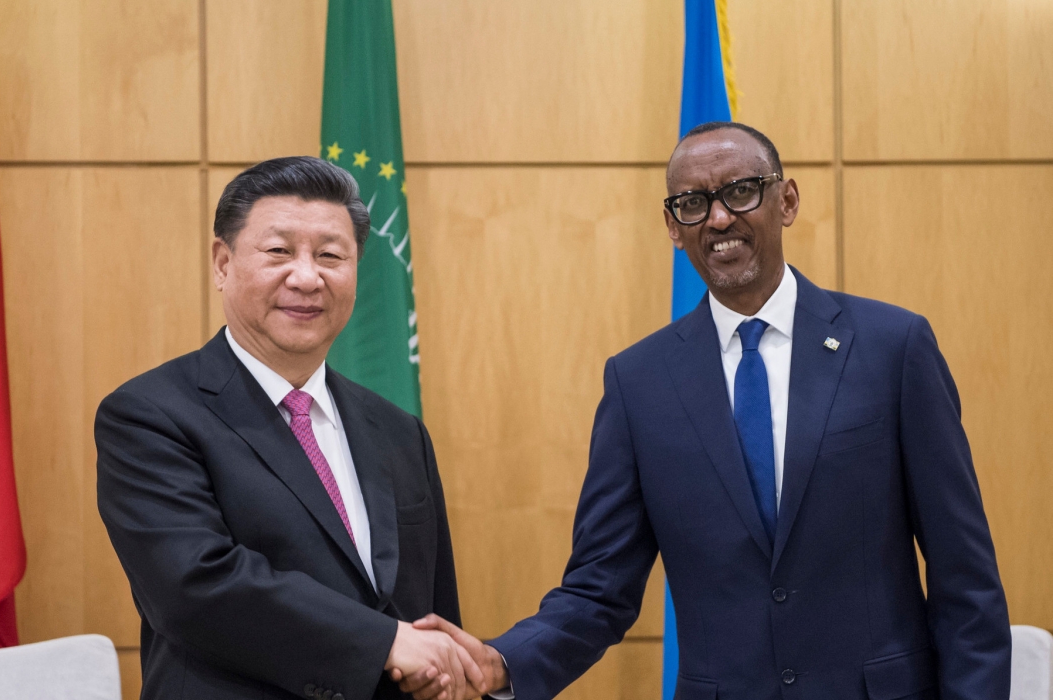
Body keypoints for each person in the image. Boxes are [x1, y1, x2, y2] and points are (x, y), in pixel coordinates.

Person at [406, 123, 1011, 700]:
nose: (719, 218)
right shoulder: (638, 384)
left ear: (787, 200)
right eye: (692, 203)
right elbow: (599, 589)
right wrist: (503, 661)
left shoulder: (892, 348)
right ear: (673, 227)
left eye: (740, 191)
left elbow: (966, 580)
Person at [95, 156, 481, 700]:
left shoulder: (399, 431)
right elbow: (194, 587)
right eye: (278, 251)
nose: (306, 276)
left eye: (330, 256)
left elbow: (432, 618)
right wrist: (381, 641)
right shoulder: (149, 415)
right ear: (222, 263)